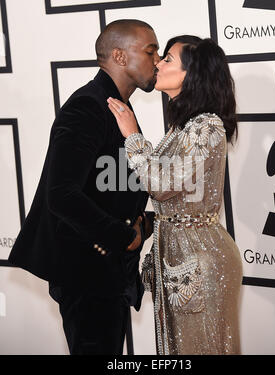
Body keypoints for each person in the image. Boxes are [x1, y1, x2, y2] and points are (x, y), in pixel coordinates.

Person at [8, 19, 160, 355]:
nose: (158, 59)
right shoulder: (89, 105)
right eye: (150, 51)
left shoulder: (115, 105)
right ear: (119, 57)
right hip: (86, 275)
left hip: (105, 274)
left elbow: (112, 191)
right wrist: (125, 236)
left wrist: (143, 224)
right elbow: (61, 195)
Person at [107, 35, 243, 355]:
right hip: (178, 256)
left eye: (167, 59)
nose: (157, 63)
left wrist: (133, 137)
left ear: (191, 75)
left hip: (201, 262)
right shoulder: (182, 126)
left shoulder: (207, 126)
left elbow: (164, 184)